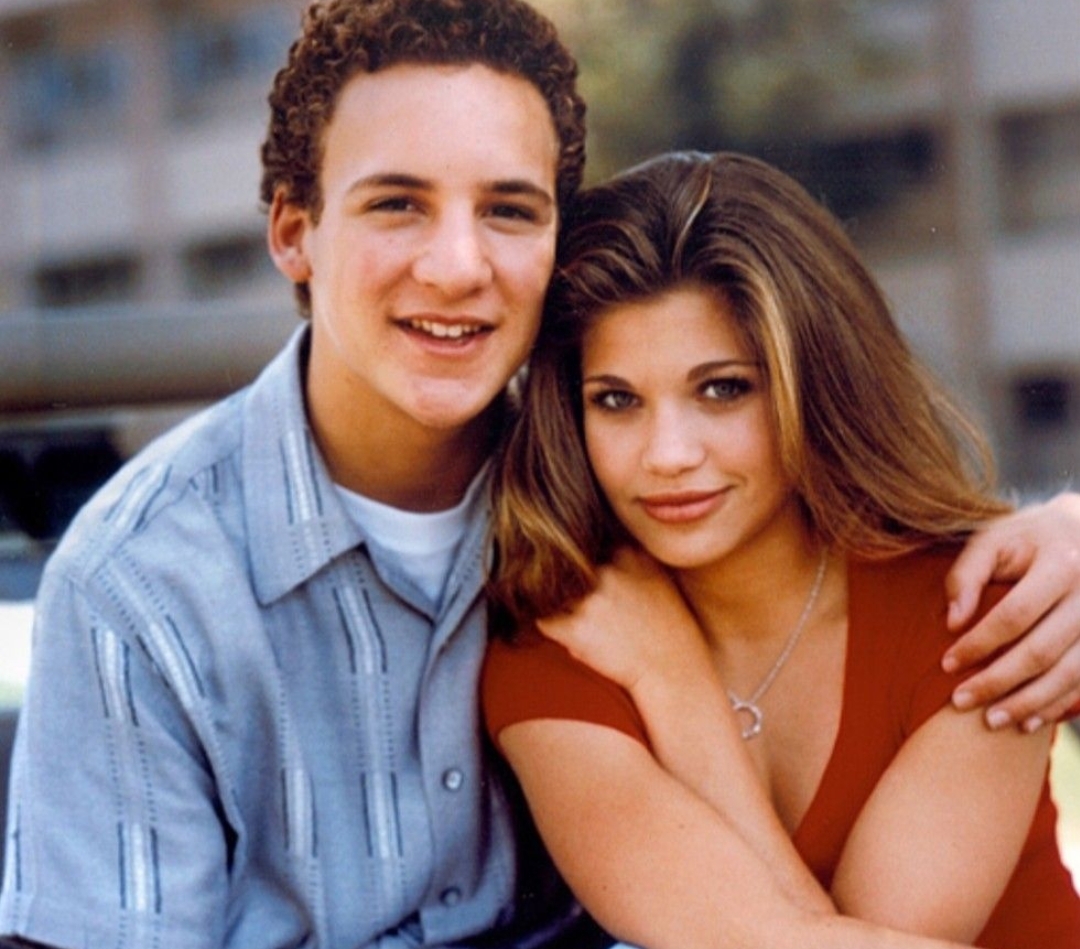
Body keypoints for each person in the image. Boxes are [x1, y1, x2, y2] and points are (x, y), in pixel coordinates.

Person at [0, 0, 1079, 944]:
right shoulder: (150, 583)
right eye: (396, 203)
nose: (459, 265)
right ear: (294, 229)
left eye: (508, 209)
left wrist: (1067, 526)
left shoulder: (609, 533)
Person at [482, 151, 1080, 949]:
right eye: (617, 400)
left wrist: (675, 686)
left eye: (723, 388)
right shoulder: (562, 645)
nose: (667, 454)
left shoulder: (977, 614)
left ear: (814, 380)